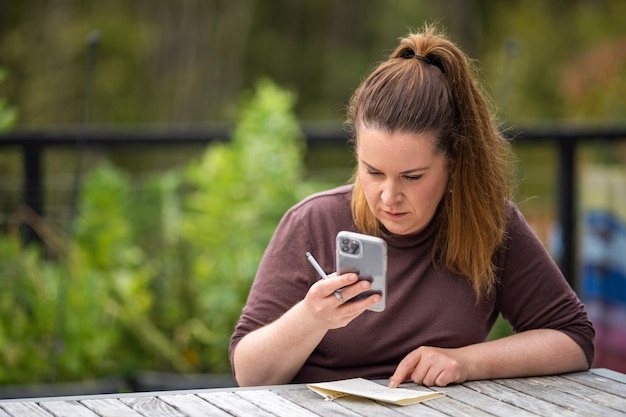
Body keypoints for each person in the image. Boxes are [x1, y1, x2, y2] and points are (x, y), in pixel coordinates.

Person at [229, 24, 594, 388]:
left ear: (454, 160)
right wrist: (311, 317)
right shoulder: (313, 222)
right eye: (373, 172)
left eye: (412, 177)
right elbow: (249, 375)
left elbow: (574, 339)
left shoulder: (489, 225)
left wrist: (465, 362)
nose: (388, 196)